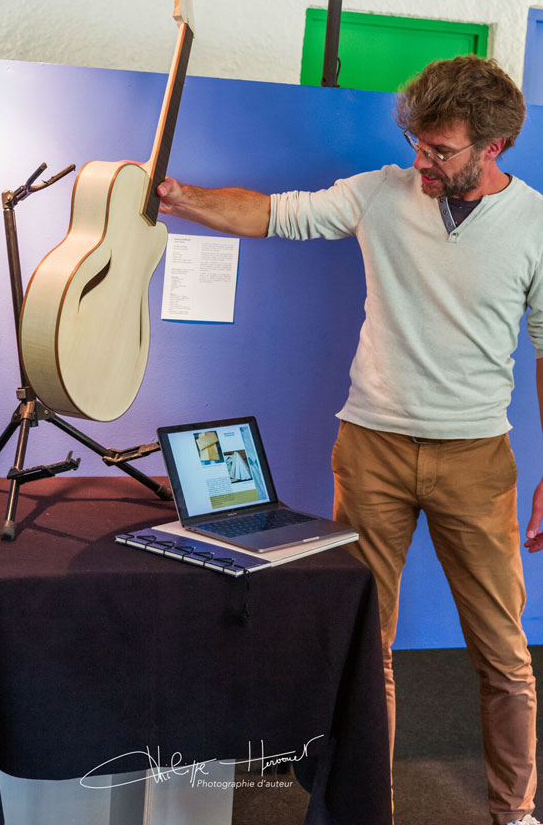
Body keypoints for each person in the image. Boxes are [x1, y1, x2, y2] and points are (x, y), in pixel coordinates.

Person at [157, 55, 543, 825]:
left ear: (493, 147)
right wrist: (177, 197)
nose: (420, 162)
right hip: (370, 449)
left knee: (505, 655)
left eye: (440, 151)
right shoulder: (378, 194)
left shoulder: (535, 224)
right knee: (368, 647)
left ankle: (517, 810)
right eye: (417, 144)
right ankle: (369, 806)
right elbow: (274, 212)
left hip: (476, 460)